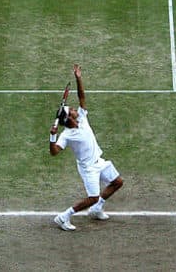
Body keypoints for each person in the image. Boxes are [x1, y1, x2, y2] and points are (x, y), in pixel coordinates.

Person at [49, 64, 124, 232]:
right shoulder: (66, 135)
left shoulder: (82, 118)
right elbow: (54, 152)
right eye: (73, 110)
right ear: (68, 118)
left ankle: (97, 208)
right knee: (92, 197)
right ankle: (64, 217)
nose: (76, 109)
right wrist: (52, 137)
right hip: (88, 168)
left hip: (99, 161)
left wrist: (78, 78)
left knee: (117, 182)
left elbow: (82, 96)